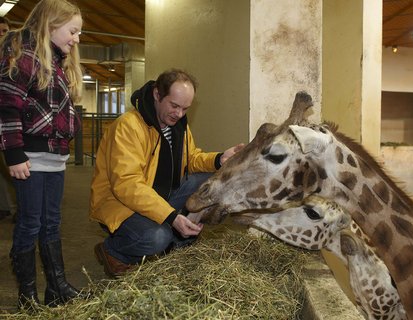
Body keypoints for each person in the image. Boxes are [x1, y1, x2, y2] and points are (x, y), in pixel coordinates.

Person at [90, 69, 244, 278]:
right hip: (122, 204)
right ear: (157, 94)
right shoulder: (128, 126)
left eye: (185, 108)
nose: (179, 114)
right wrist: (171, 217)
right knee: (157, 237)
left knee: (210, 182)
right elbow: (127, 185)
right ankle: (113, 251)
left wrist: (219, 159)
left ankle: (179, 242)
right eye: (174, 106)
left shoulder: (178, 125)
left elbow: (191, 159)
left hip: (159, 195)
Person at [0, 0, 83, 309]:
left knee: (52, 223)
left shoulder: (57, 63)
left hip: (55, 157)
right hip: (30, 158)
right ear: (51, 25)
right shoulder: (24, 58)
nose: (76, 39)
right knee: (30, 223)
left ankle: (56, 287)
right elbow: (7, 106)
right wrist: (14, 154)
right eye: (72, 31)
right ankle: (27, 295)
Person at [0, 16, 14, 221]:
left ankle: (22, 208)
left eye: (5, 32)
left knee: (11, 168)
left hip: (9, 124)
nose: (2, 36)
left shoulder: (15, 60)